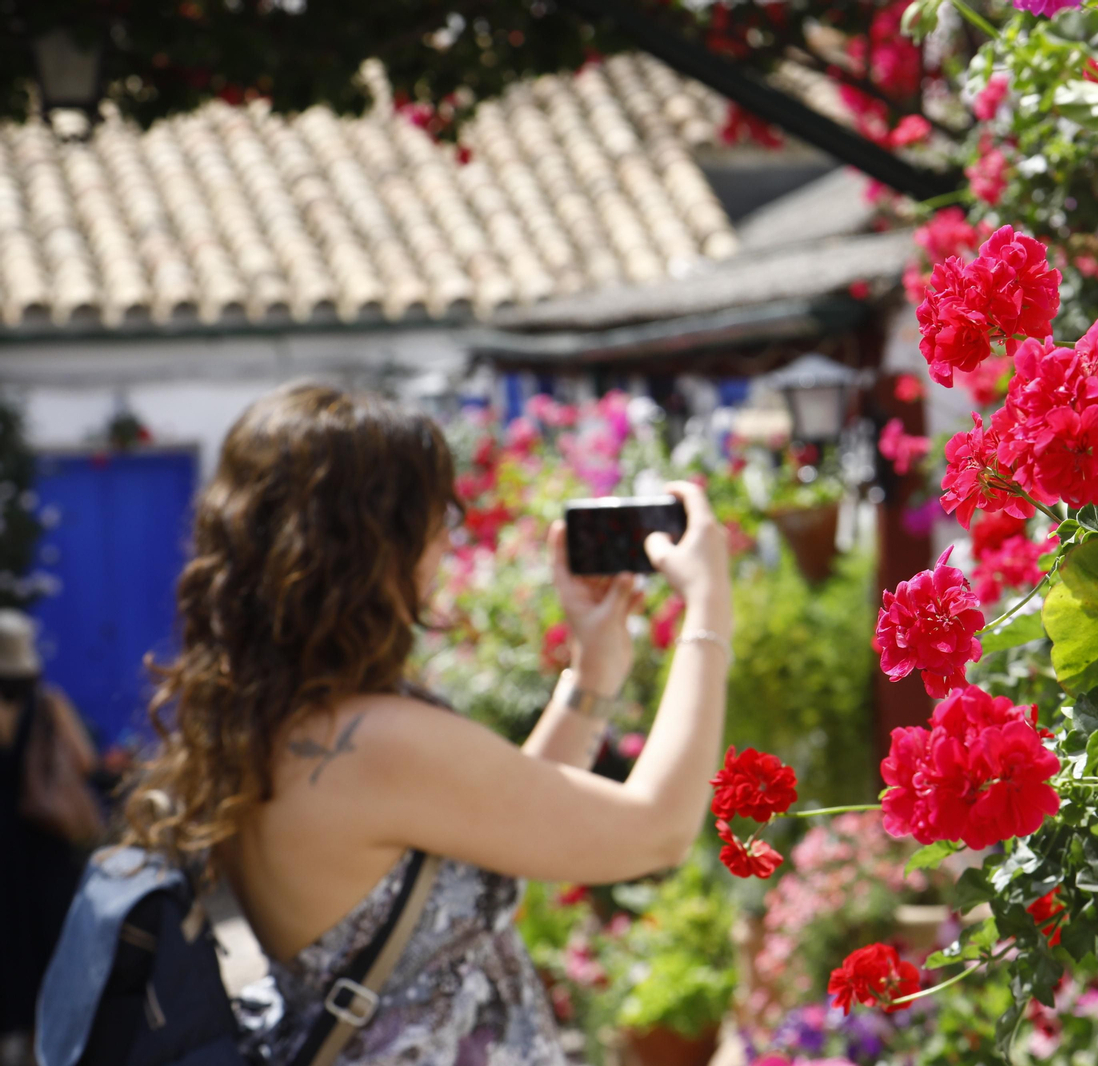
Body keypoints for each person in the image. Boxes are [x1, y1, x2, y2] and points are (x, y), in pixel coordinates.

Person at [119, 383, 732, 1064]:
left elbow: (506, 818)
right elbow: (657, 831)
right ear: (373, 540)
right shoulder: (373, 743)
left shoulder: (278, 720)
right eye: (436, 514)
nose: (448, 535)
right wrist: (708, 609)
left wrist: (593, 673)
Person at [0, 611, 99, 1066]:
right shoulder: (47, 703)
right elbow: (83, 760)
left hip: (6, 855)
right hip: (48, 848)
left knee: (11, 950)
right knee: (56, 951)